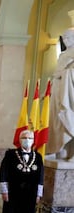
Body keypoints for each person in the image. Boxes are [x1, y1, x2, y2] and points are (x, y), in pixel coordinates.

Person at [0, 130, 44, 213]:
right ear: (20, 140)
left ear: (33, 140)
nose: (27, 140)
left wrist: (38, 194)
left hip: (29, 194)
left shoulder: (38, 156)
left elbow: (41, 176)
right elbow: (3, 173)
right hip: (12, 192)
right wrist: (4, 191)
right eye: (24, 137)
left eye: (30, 138)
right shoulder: (11, 154)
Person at [48, 27, 74, 159]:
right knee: (56, 121)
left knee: (67, 120)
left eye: (69, 37)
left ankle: (68, 151)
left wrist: (66, 73)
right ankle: (58, 150)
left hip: (69, 93)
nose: (66, 40)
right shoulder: (63, 55)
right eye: (64, 38)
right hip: (58, 90)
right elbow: (55, 75)